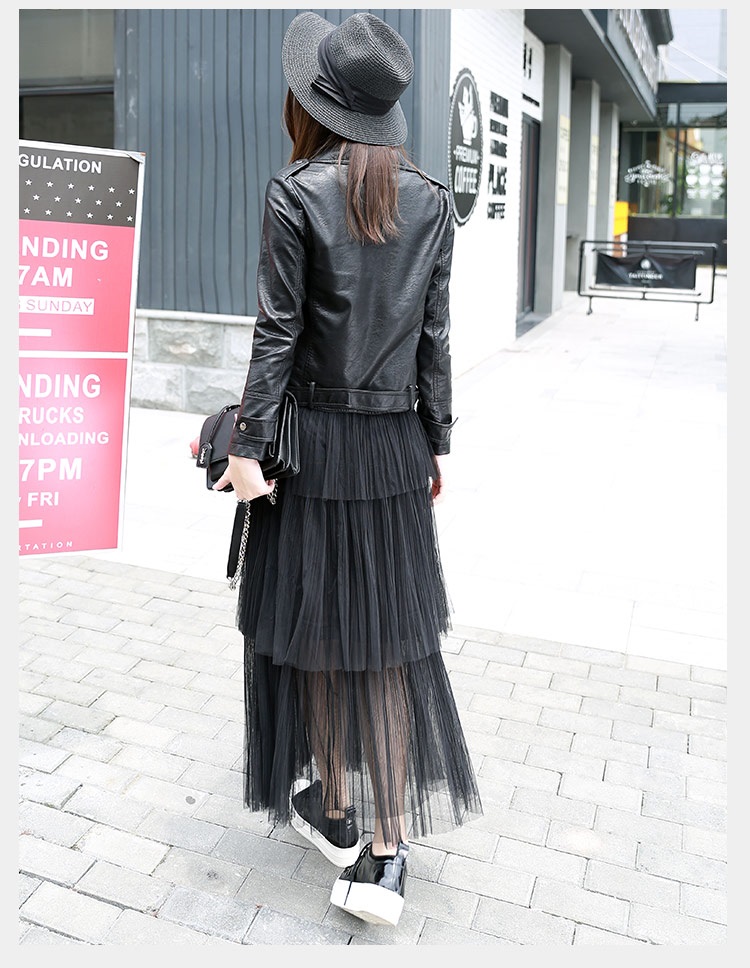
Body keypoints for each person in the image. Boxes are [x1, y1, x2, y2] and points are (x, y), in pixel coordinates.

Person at [215, 10, 481, 928]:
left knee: (324, 631)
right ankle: (382, 851)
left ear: (315, 103)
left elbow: (277, 335)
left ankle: (342, 812)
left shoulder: (296, 192)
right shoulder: (433, 199)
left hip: (317, 447)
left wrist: (246, 447)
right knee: (389, 641)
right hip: (394, 446)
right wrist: (436, 440)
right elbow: (435, 337)